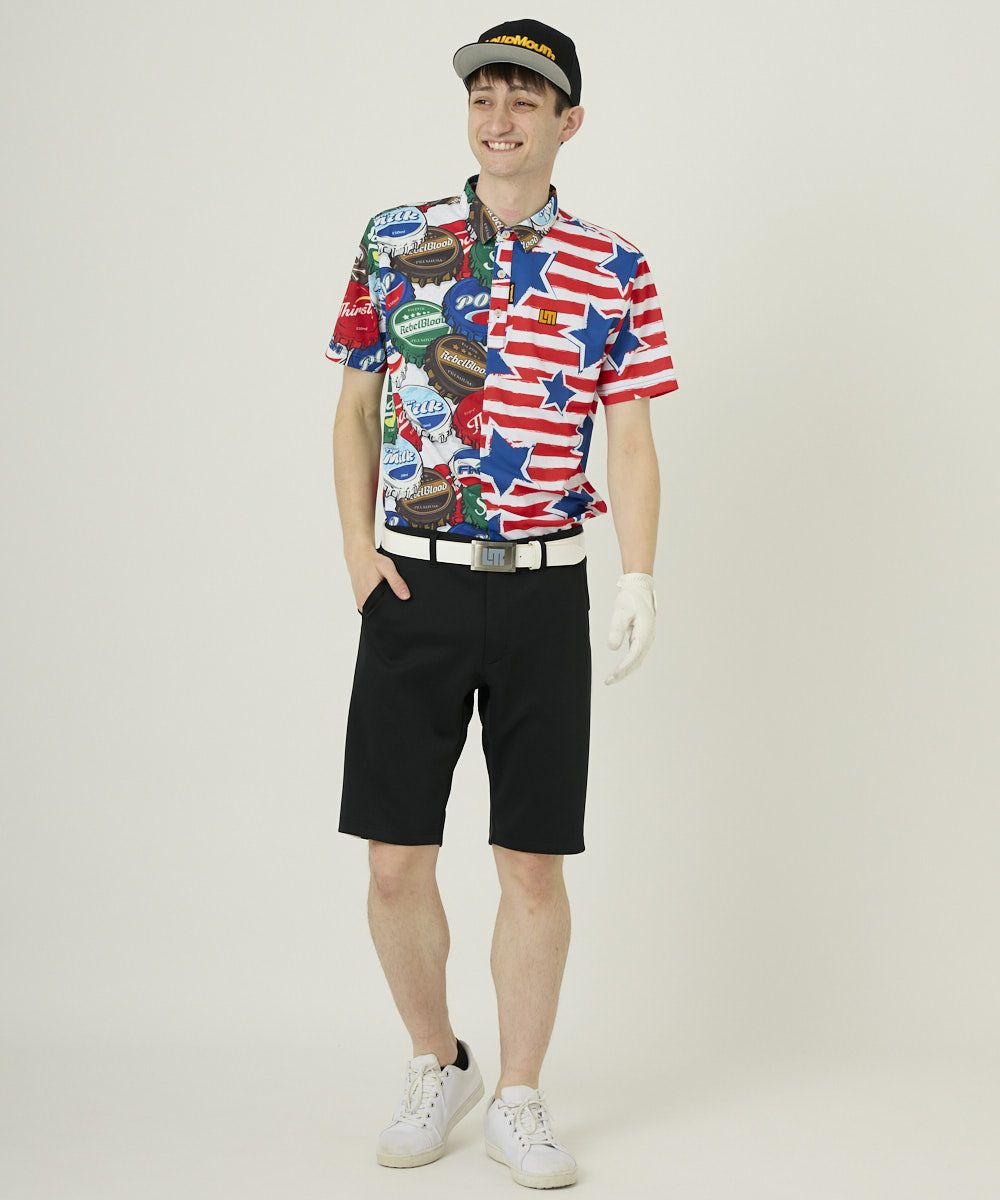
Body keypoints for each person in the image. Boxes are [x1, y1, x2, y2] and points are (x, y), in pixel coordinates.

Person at [325, 18, 679, 1189]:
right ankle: (440, 1062)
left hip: (539, 591)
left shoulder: (614, 265)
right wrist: (357, 553)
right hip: (413, 582)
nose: (499, 117)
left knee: (531, 862)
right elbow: (355, 408)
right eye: (484, 95)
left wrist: (635, 573)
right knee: (393, 859)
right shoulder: (397, 241)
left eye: (525, 98)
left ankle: (519, 1094)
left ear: (568, 119)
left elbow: (631, 437)